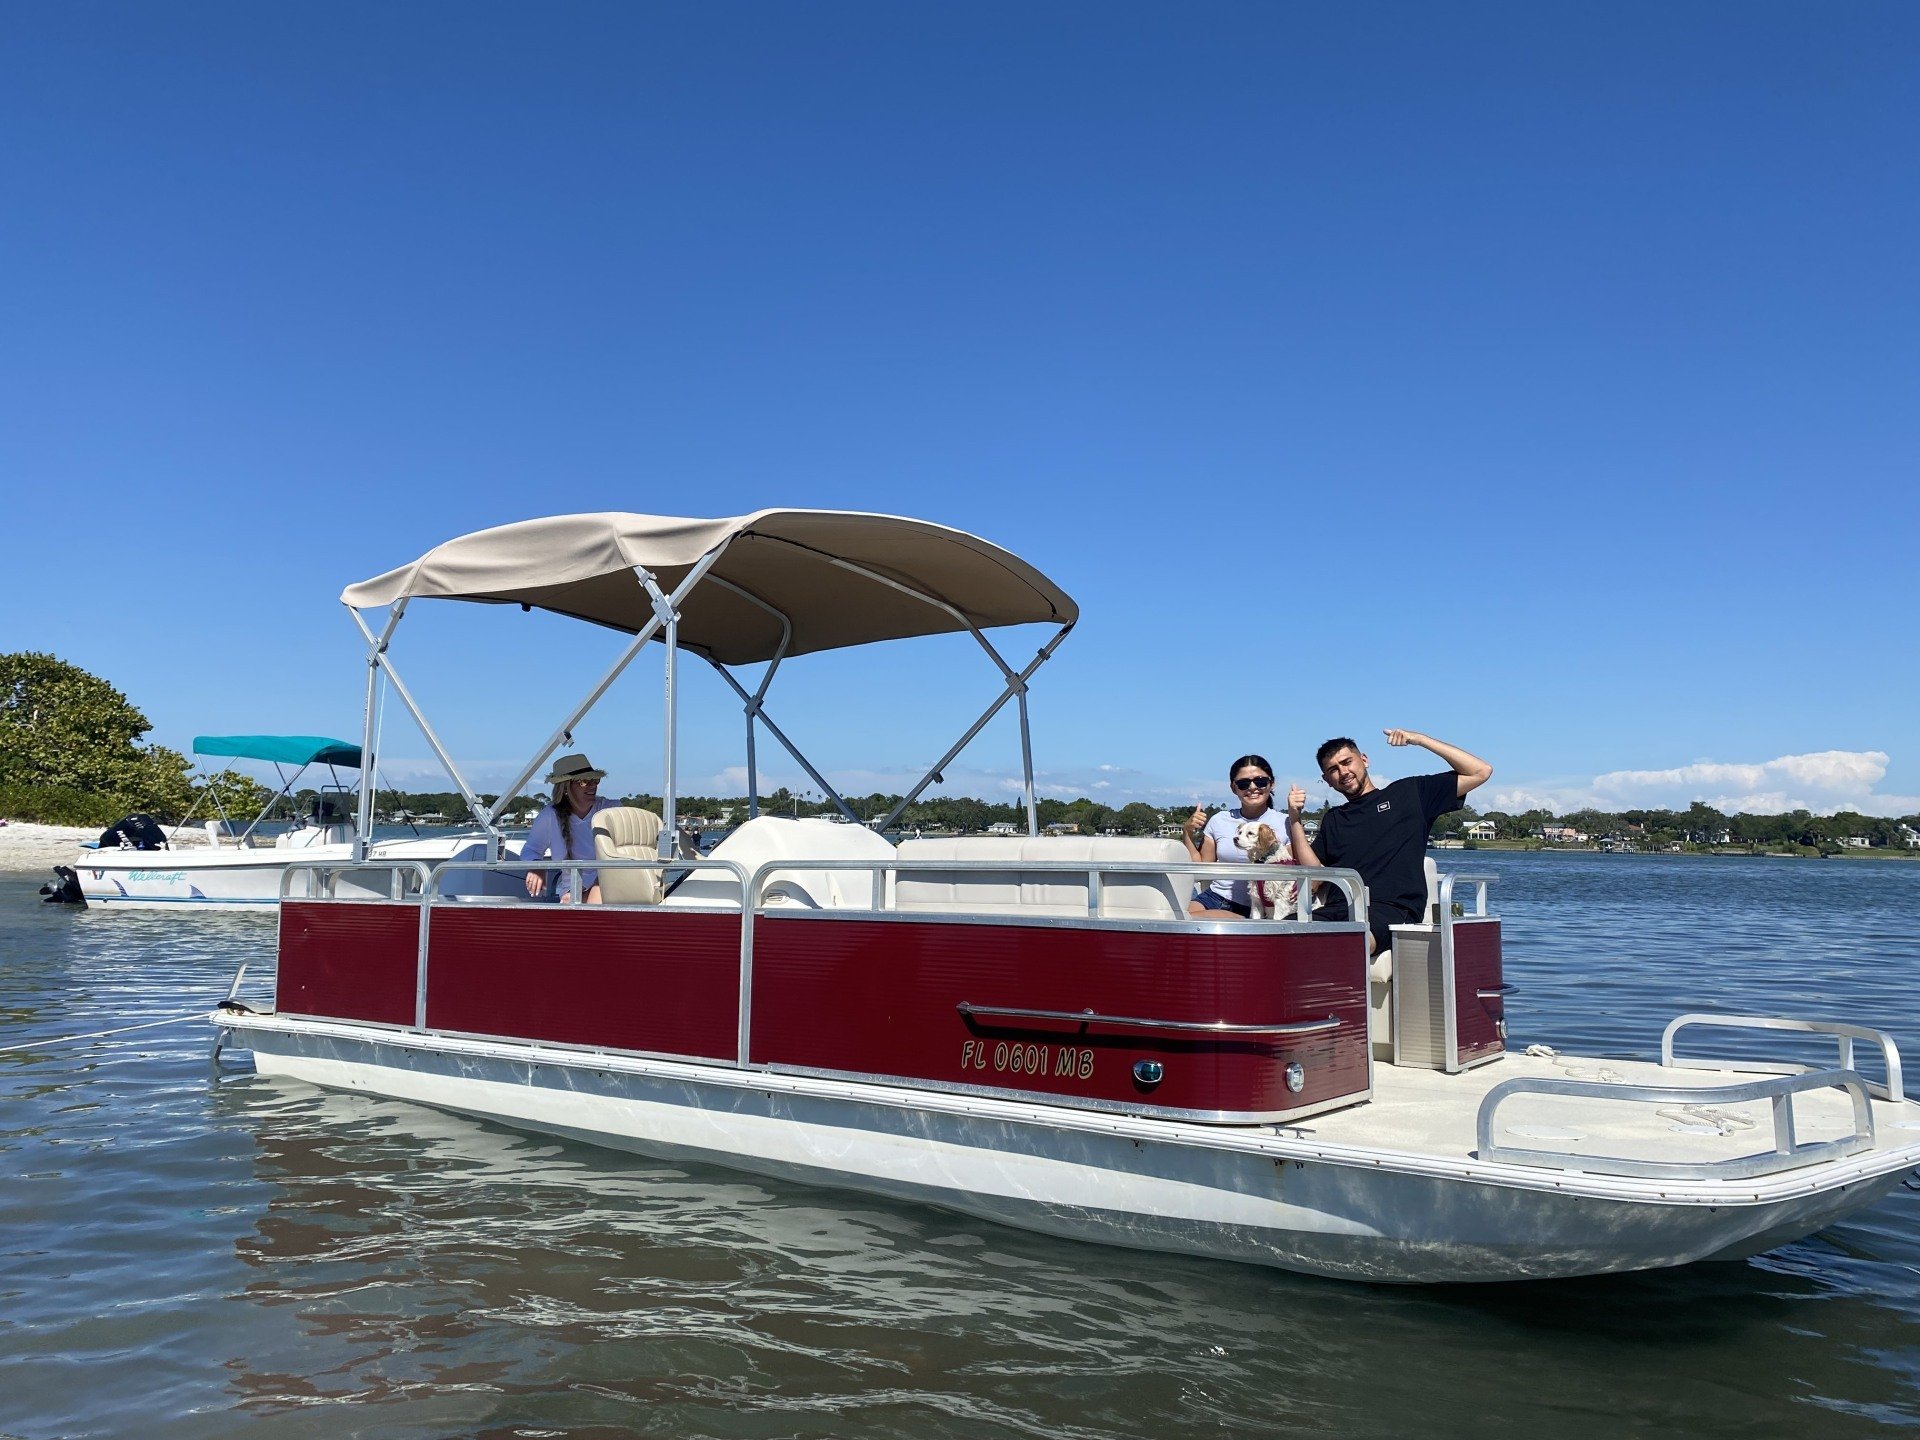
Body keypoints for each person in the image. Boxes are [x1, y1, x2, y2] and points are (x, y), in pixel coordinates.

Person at [1284, 729, 1492, 955]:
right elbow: (1314, 878)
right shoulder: (1333, 819)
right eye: (1333, 769)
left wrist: (1419, 740)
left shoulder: (1410, 794)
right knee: (1278, 935)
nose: (1343, 772)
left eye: (1347, 762)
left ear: (1364, 760)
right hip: (1337, 909)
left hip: (1391, 910)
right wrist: (1294, 817)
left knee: (1348, 941)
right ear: (1327, 780)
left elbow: (1480, 771)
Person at [1182, 753, 1288, 918]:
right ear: (1233, 787)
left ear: (1271, 784)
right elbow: (1201, 868)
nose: (1252, 787)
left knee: (1192, 920)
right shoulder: (1219, 820)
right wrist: (1187, 832)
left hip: (1261, 906)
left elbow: (1293, 872)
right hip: (1217, 896)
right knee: (1174, 917)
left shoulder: (1286, 822)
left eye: (1260, 781)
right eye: (1243, 783)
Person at [522, 753, 619, 903]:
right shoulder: (550, 816)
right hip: (573, 890)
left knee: (603, 883)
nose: (593, 785)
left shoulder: (612, 810)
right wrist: (536, 868)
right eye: (584, 781)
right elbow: (531, 849)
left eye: (595, 780)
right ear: (566, 787)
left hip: (611, 882)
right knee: (591, 893)